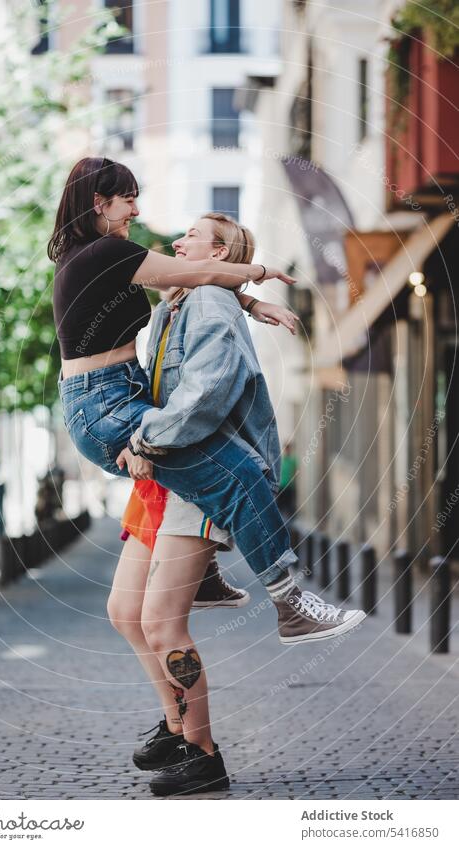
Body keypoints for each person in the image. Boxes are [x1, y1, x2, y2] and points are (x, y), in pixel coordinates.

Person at [51, 155, 364, 700]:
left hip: (112, 398)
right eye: (127, 198)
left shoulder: (104, 255)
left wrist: (243, 301)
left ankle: (206, 579)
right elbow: (199, 274)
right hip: (105, 406)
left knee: (208, 472)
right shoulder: (107, 251)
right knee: (239, 473)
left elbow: (185, 287)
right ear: (100, 203)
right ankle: (290, 602)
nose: (137, 208)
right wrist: (261, 278)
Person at [107, 213, 365, 795]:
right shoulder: (188, 300)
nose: (176, 243)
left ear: (217, 251)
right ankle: (182, 727)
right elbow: (180, 287)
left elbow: (207, 390)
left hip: (203, 468)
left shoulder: (208, 304)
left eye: (190, 238)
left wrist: (146, 438)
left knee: (160, 623)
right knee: (131, 613)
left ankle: (200, 751)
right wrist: (248, 295)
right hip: (174, 473)